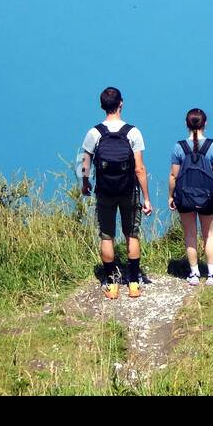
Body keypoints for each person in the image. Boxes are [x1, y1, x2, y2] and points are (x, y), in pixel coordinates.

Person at [80, 87, 152, 299]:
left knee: (106, 235)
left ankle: (111, 284)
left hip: (104, 191)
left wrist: (85, 183)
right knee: (132, 234)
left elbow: (85, 162)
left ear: (102, 106)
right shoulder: (133, 132)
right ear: (121, 104)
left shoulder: (94, 133)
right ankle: (132, 283)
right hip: (129, 191)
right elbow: (139, 168)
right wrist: (146, 198)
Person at [169, 108, 213, 286]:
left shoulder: (179, 147)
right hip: (207, 198)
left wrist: (171, 196)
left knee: (190, 234)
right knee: (209, 234)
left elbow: (174, 176)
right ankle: (211, 274)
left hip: (184, 197)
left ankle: (193, 274)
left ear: (186, 124)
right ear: (205, 124)